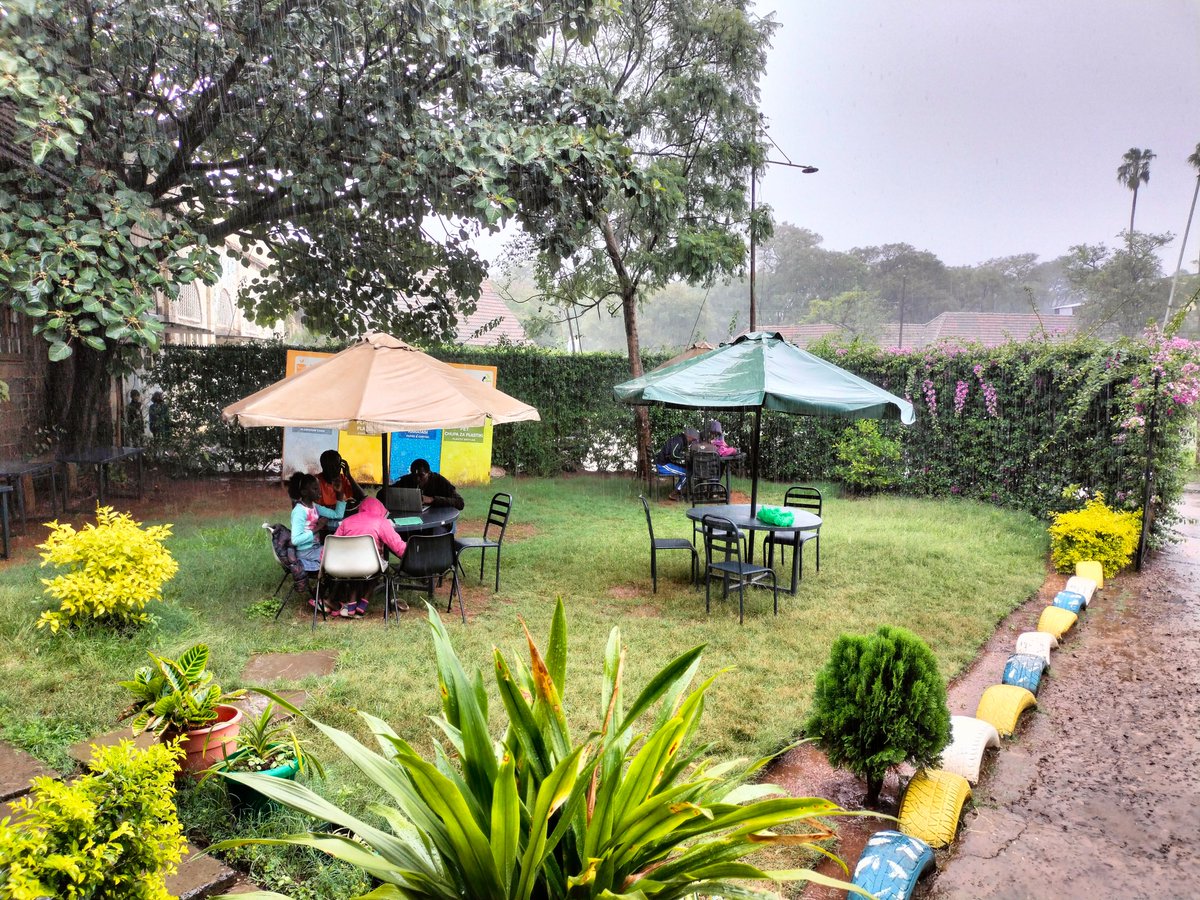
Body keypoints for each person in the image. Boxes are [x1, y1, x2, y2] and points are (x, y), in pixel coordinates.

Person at [331, 497, 409, 618]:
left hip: (347, 564)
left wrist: (325, 562)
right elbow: (398, 547)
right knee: (378, 568)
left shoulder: (346, 522)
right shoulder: (381, 522)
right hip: (371, 564)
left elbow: (333, 544)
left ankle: (351, 604)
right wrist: (410, 552)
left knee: (354, 570)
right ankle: (364, 602)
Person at [286, 472, 344, 611]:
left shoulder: (314, 507)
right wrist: (317, 528)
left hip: (315, 549)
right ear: (304, 492)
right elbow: (295, 539)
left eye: (318, 488)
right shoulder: (299, 511)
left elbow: (337, 515)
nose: (319, 491)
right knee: (340, 558)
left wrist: (340, 495)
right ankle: (325, 598)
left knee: (339, 556)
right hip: (305, 552)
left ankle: (324, 596)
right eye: (315, 489)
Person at [386, 458, 465, 510]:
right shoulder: (407, 480)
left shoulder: (440, 481)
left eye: (421, 475)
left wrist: (432, 499)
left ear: (429, 473)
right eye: (414, 475)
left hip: (438, 520)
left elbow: (460, 503)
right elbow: (382, 494)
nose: (417, 479)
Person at [315, 450, 364, 529]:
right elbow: (316, 508)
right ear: (323, 467)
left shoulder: (342, 478)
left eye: (337, 466)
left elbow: (362, 497)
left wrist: (349, 476)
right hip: (322, 524)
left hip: (338, 521)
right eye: (331, 467)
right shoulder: (315, 482)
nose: (335, 470)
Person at [654, 427, 699, 500]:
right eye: (693, 439)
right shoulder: (679, 440)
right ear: (689, 436)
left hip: (666, 462)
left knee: (688, 469)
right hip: (663, 465)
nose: (692, 441)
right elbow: (673, 454)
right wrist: (685, 456)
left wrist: (683, 455)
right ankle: (674, 493)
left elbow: (674, 453)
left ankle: (681, 490)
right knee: (687, 473)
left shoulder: (680, 439)